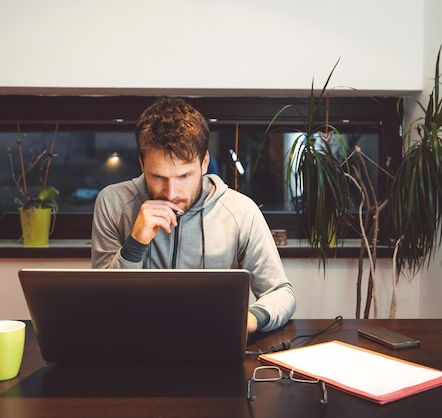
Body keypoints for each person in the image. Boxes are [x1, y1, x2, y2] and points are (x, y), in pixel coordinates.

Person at [91, 97, 296, 333]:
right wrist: (135, 245)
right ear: (141, 164)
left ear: (205, 162)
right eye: (158, 177)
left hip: (213, 340)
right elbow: (103, 302)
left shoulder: (241, 211)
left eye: (184, 176)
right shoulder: (113, 202)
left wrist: (249, 319)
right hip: (131, 341)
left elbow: (282, 293)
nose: (171, 193)